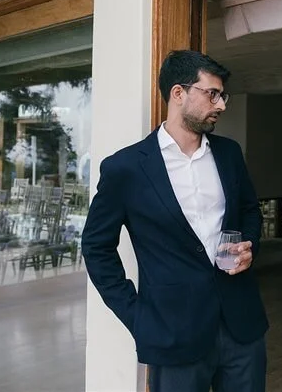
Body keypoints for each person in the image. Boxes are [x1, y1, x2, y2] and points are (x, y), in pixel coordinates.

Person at [82, 51, 268, 392]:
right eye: (212, 94)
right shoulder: (126, 168)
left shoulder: (229, 153)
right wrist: (136, 315)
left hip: (242, 326)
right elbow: (95, 247)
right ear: (179, 93)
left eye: (222, 95)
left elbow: (249, 211)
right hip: (171, 332)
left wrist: (249, 246)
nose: (221, 104)